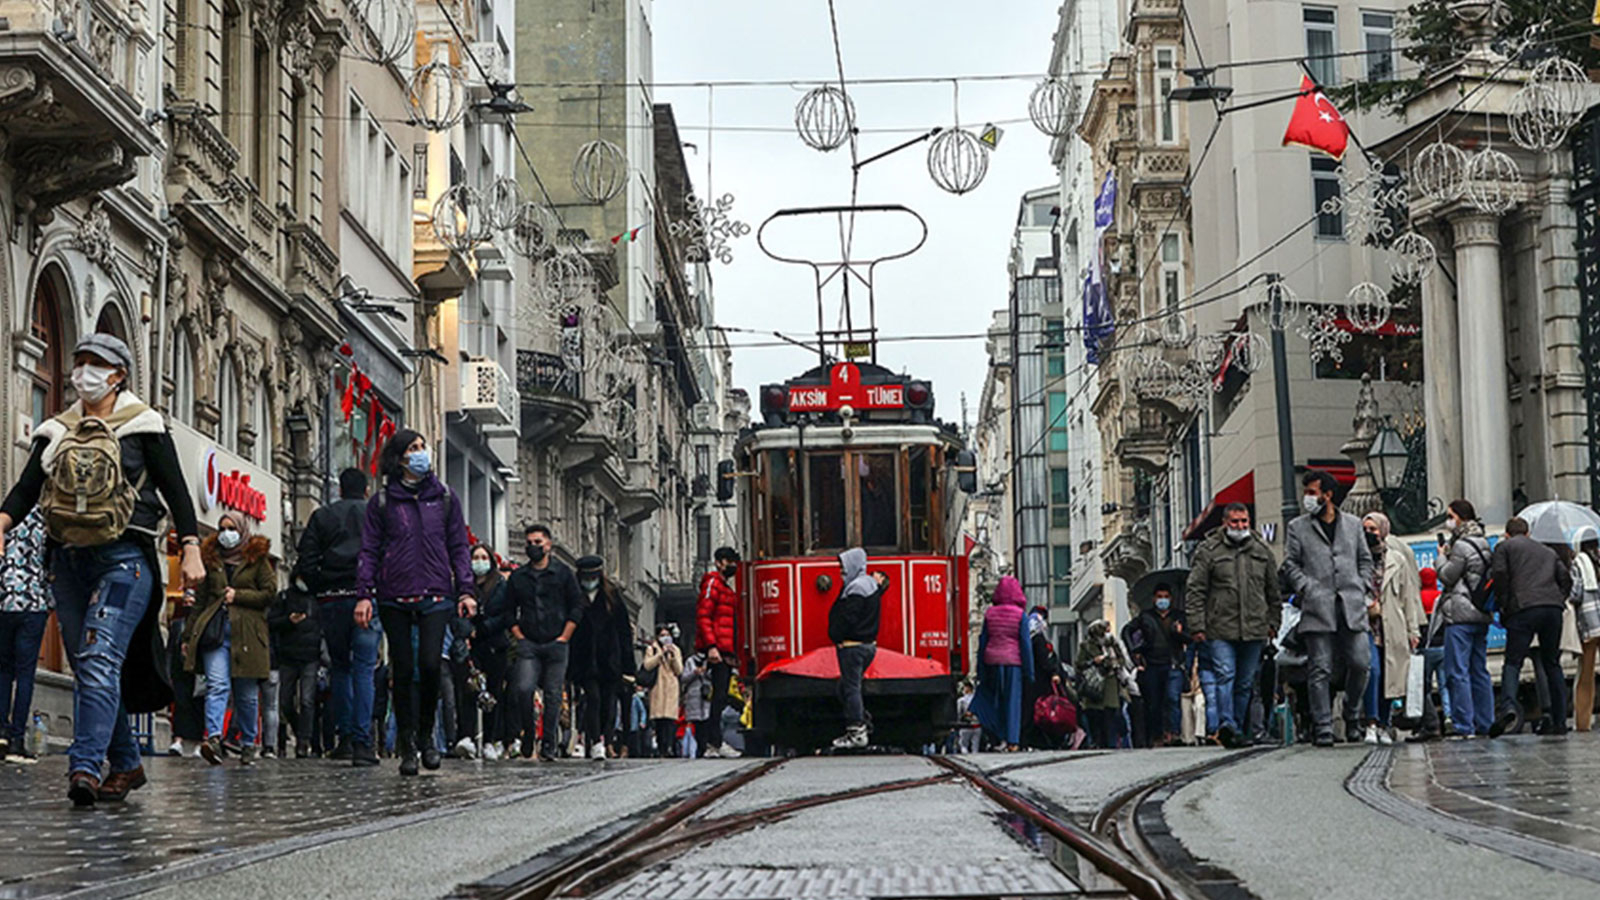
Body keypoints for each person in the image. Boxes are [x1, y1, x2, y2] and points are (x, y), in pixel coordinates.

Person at [0, 334, 204, 806]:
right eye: (79, 362)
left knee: (97, 657)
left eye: (97, 364)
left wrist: (190, 547)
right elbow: (26, 488)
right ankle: (127, 763)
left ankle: (85, 768)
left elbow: (176, 491)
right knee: (91, 664)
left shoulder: (144, 425)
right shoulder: (57, 430)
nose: (84, 372)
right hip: (68, 563)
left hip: (124, 560)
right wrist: (4, 521)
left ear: (119, 375)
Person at [355, 430, 476, 776]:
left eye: (423, 447)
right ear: (400, 457)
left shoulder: (446, 499)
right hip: (394, 594)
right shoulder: (382, 503)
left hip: (437, 593)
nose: (422, 453)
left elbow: (459, 547)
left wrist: (465, 589)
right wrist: (364, 594)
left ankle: (427, 736)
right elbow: (369, 550)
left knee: (431, 664)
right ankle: (407, 741)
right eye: (414, 448)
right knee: (403, 669)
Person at [1281, 471, 1374, 747]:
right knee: (1319, 668)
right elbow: (1290, 564)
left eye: (1312, 492)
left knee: (1361, 663)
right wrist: (1306, 588)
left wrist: (1362, 584)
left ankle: (1352, 713)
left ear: (1328, 495)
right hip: (1317, 606)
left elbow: (1365, 559)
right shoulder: (1297, 527)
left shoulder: (1354, 525)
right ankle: (1322, 725)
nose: (1307, 498)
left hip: (1351, 605)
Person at [294, 467, 378, 766]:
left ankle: (343, 737)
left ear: (339, 489)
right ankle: (363, 741)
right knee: (364, 667)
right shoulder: (374, 514)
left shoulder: (323, 516)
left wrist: (320, 586)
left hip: (332, 598)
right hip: (366, 597)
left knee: (340, 667)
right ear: (366, 489)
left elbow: (305, 556)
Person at [181, 514, 275, 765]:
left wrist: (239, 595)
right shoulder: (210, 558)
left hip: (247, 635)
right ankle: (213, 738)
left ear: (242, 530)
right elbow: (200, 601)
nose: (226, 533)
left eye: (231, 528)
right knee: (217, 685)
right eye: (222, 528)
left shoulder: (257, 559)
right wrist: (189, 636)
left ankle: (247, 743)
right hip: (216, 633)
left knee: (246, 694)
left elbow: (269, 593)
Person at [1187, 503, 1278, 748]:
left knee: (1245, 682)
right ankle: (1228, 724)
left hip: (1254, 628)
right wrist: (1197, 625)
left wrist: (1273, 622)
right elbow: (1195, 589)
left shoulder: (1261, 550)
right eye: (1235, 522)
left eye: (1244, 521)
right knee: (1225, 674)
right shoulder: (1209, 551)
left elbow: (1273, 591)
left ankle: (1236, 726)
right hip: (1220, 628)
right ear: (1225, 523)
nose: (1240, 526)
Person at [502, 524, 583, 761]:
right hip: (529, 643)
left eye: (538, 543)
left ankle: (549, 743)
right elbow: (508, 611)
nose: (533, 547)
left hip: (556, 642)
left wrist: (565, 636)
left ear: (548, 545)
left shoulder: (563, 573)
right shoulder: (519, 577)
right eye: (529, 543)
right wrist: (520, 636)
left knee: (553, 694)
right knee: (523, 689)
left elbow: (577, 606)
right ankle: (528, 734)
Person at [1488, 516, 1573, 737]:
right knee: (1552, 663)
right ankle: (1559, 719)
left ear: (1507, 534)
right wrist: (1558, 599)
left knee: (1513, 662)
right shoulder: (1547, 551)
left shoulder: (1504, 547)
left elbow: (1499, 575)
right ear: (1527, 534)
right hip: (1552, 609)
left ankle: (1508, 707)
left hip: (1523, 608)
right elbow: (1566, 579)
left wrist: (1505, 605)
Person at [1361, 512, 1424, 745]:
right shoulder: (1358, 557)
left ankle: (1385, 724)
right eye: (1365, 529)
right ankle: (1371, 722)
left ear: (1383, 530)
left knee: (1391, 677)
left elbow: (1408, 597)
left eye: (1373, 529)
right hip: (1366, 625)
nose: (1369, 534)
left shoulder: (1397, 559)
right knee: (1373, 672)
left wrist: (1413, 631)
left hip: (1392, 626)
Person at [1436, 499, 1495, 739]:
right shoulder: (1483, 542)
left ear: (1460, 517)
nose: (1448, 521)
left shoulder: (1460, 546)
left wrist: (1440, 557)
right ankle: (1485, 721)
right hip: (1480, 613)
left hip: (1460, 614)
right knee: (1479, 670)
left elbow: (1448, 576)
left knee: (1457, 671)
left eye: (1450, 516)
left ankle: (1463, 724)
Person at [568, 556, 636, 760]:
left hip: (609, 660)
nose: (589, 581)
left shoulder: (612, 597)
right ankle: (595, 740)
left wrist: (628, 666)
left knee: (608, 702)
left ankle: (606, 738)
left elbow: (624, 632)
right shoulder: (574, 596)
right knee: (593, 698)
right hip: (584, 659)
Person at [0, 508, 50, 762]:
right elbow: (51, 568)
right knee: (25, 674)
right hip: (33, 604)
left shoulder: (5, 521)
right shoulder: (47, 522)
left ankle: (1, 732)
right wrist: (50, 602)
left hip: (5, 603)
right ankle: (17, 738)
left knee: (3, 670)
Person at [829, 548, 888, 750]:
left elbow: (848, 618)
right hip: (867, 646)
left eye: (843, 568)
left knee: (851, 688)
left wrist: (837, 635)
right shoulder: (870, 585)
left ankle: (857, 731)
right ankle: (862, 720)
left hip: (852, 646)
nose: (841, 573)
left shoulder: (856, 589)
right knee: (844, 686)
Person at [969, 576, 1032, 750]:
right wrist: (1029, 671)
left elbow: (983, 642)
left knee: (996, 700)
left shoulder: (990, 613)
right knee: (1013, 701)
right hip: (1013, 662)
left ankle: (999, 737)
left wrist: (980, 669)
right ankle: (1013, 741)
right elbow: (1025, 644)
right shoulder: (1021, 616)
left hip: (992, 660)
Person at [1128, 584, 1188, 747]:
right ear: (1154, 598)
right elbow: (1127, 631)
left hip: (1173, 663)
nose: (1163, 600)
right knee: (1154, 702)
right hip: (1152, 664)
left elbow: (1189, 637)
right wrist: (1134, 651)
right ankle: (1157, 735)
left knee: (1172, 698)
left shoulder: (1179, 616)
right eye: (1160, 597)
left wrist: (1179, 633)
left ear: (1171, 599)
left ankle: (1174, 733)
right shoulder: (1145, 616)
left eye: (1166, 597)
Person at [464, 542, 510, 759]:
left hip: (494, 645)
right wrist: (467, 631)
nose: (479, 562)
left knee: (493, 692)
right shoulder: (464, 586)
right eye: (475, 558)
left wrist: (484, 628)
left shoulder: (501, 585)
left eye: (483, 558)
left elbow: (506, 615)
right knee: (469, 689)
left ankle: (490, 740)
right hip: (470, 646)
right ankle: (467, 736)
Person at [696, 546, 741, 759]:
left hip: (724, 649)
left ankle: (713, 743)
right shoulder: (713, 583)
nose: (732, 565)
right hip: (718, 650)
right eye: (728, 561)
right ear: (719, 562)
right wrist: (711, 646)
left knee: (721, 696)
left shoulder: (724, 587)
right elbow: (704, 615)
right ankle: (713, 742)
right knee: (719, 696)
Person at [267, 584, 322, 758]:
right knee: (285, 702)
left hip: (311, 656)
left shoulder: (316, 598)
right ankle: (300, 732)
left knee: (307, 700)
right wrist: (288, 621)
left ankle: (304, 741)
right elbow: (271, 622)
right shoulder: (284, 597)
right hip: (288, 656)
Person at [1076, 619, 1127, 748]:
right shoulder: (1086, 646)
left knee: (1110, 714)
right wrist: (1094, 661)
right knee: (1095, 715)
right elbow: (1079, 664)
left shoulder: (1112, 644)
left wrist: (1111, 662)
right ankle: (1097, 742)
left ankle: (1110, 743)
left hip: (1110, 681)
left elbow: (1122, 660)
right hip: (1095, 684)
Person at [1571, 532, 1600, 732]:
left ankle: (1583, 723)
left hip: (1590, 625)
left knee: (1586, 675)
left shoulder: (1578, 563)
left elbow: (1575, 593)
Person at [641, 625, 684, 757]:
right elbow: (647, 665)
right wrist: (660, 654)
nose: (665, 638)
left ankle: (669, 747)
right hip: (658, 687)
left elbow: (679, 670)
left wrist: (671, 656)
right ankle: (661, 748)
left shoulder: (676, 650)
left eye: (667, 635)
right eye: (662, 635)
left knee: (670, 720)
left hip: (671, 687)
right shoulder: (652, 648)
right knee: (659, 720)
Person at [680, 649, 712, 756]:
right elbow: (684, 678)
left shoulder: (710, 660)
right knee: (697, 725)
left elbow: (714, 676)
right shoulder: (690, 661)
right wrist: (694, 673)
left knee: (706, 724)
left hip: (707, 697)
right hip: (693, 697)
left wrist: (705, 672)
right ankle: (699, 749)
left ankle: (705, 747)